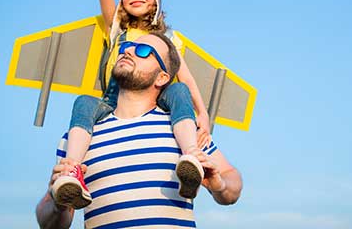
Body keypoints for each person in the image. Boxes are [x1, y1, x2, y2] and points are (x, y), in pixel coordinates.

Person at [51, 0, 211, 209]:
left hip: (153, 100)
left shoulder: (169, 40)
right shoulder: (116, 28)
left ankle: (191, 159)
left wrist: (203, 115)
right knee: (84, 103)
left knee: (177, 91)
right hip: (114, 102)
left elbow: (186, 79)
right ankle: (72, 170)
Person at [36, 33, 242, 228]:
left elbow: (232, 181)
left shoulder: (185, 129)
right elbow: (49, 223)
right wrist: (57, 204)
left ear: (162, 78)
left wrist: (220, 186)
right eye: (127, 47)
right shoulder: (75, 139)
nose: (128, 51)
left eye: (143, 50)